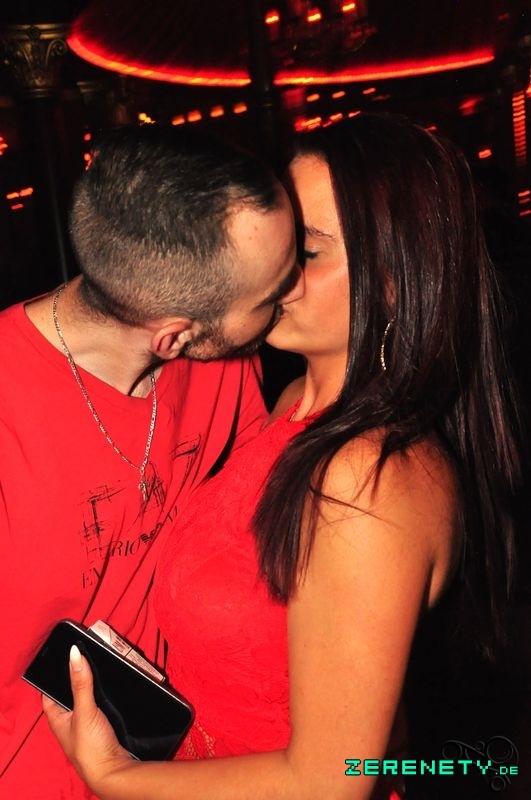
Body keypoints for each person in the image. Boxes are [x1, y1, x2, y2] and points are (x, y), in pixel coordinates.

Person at [44, 113, 521, 800]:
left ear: (394, 279)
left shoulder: (368, 475)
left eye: (308, 251)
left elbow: (332, 781)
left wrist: (116, 777)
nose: (274, 270)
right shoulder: (292, 401)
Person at [0, 124, 304, 799]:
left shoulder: (224, 366)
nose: (294, 293)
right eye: (271, 293)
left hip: (183, 768)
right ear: (173, 336)